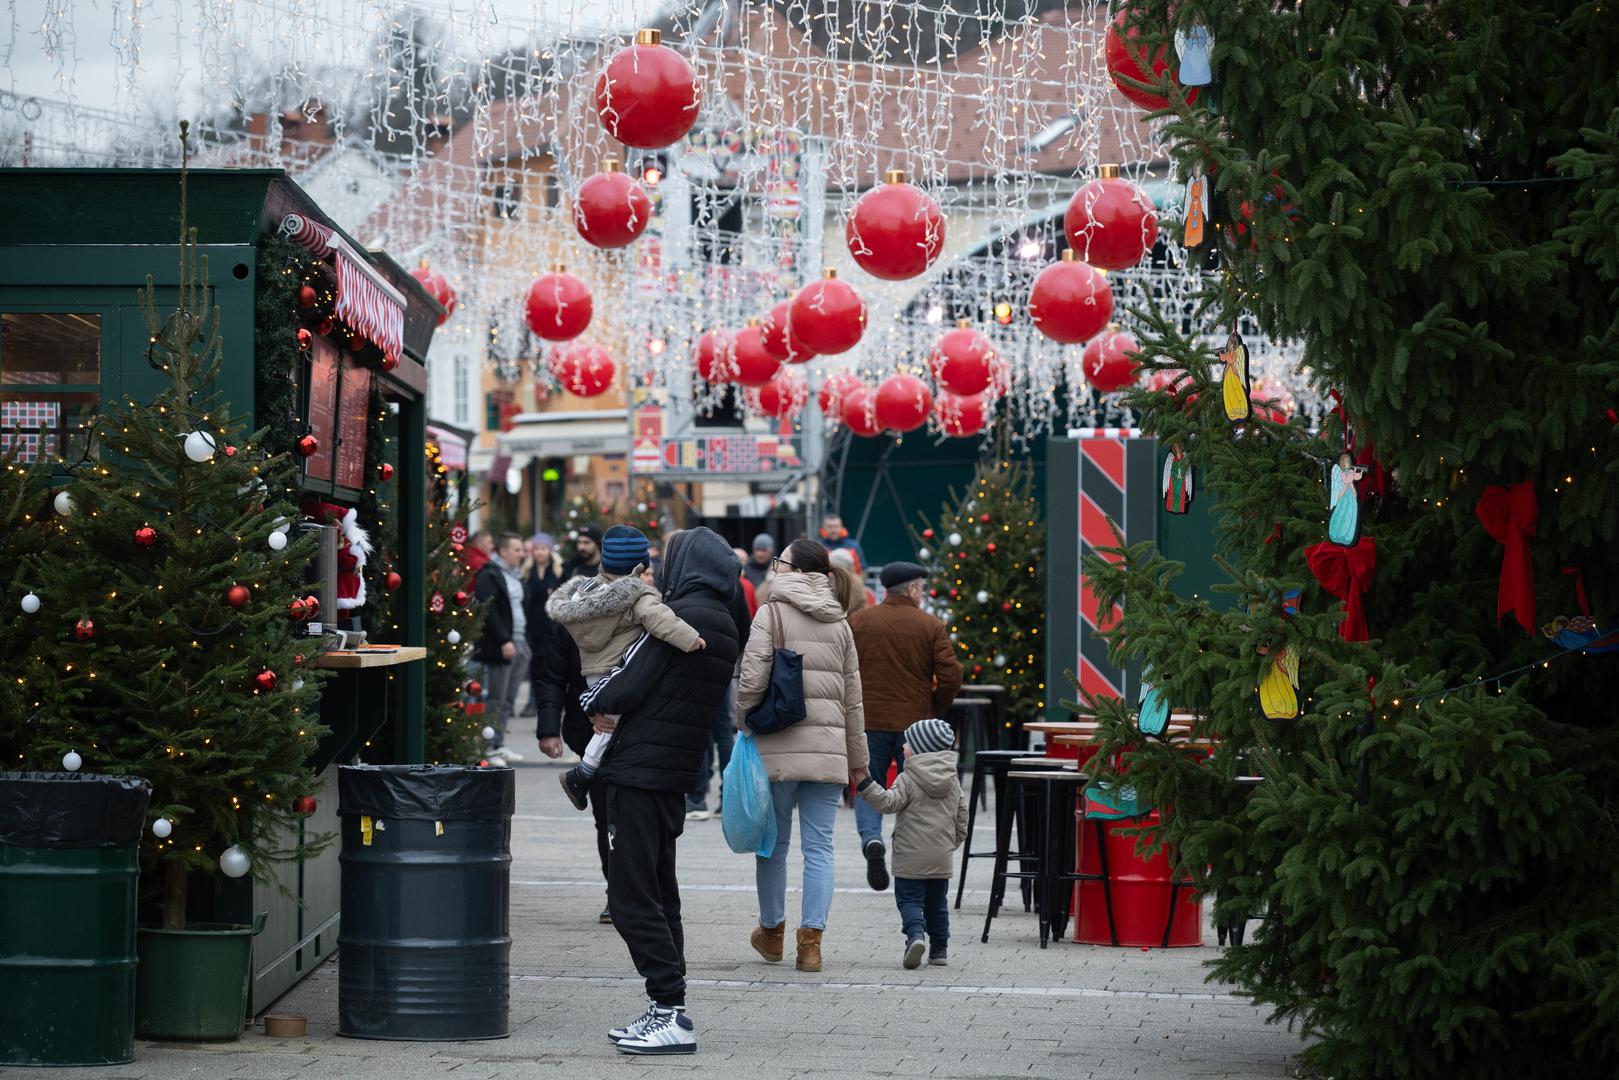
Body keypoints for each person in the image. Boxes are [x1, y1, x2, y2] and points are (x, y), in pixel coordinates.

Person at [578, 527, 740, 1056]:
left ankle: (669, 1010)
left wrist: (591, 702)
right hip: (672, 773)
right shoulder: (724, 616)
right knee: (660, 893)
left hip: (637, 771)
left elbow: (628, 684)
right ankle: (668, 1006)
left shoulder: (682, 615)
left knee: (629, 897)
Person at [736, 538, 868, 974]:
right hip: (828, 753)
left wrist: (743, 720)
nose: (775, 567)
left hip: (776, 745)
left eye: (780, 561)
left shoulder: (770, 612)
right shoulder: (840, 622)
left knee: (773, 846)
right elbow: (853, 700)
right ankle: (811, 943)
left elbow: (752, 678)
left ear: (792, 569)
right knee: (821, 847)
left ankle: (772, 934)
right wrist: (858, 759)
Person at [549, 525, 707, 810]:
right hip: (619, 671)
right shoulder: (637, 595)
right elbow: (660, 620)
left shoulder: (587, 592)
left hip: (592, 672)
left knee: (605, 722)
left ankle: (586, 772)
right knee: (611, 726)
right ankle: (583, 773)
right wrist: (691, 639)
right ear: (640, 564)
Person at [847, 560, 962, 891]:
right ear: (911, 589)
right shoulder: (930, 626)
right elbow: (952, 674)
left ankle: (872, 839)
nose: (923, 595)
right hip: (917, 727)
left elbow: (846, 669)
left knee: (868, 784)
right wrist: (934, 706)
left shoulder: (859, 622)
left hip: (869, 720)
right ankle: (916, 860)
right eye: (922, 589)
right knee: (920, 789)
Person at [856, 717, 969, 968]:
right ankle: (939, 949)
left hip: (909, 856)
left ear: (920, 748)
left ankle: (915, 936)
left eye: (908, 742)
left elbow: (888, 803)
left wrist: (865, 784)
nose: (903, 746)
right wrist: (951, 845)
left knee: (909, 900)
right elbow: (962, 818)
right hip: (941, 855)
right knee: (938, 904)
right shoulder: (953, 780)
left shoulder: (908, 778)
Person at [535, 622, 615, 924]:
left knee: (628, 816)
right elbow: (553, 677)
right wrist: (548, 729)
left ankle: (632, 891)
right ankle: (617, 892)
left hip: (635, 728)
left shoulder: (648, 608)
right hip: (590, 730)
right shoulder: (573, 618)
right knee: (606, 816)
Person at [687, 550, 752, 821]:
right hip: (724, 665)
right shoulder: (734, 587)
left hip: (693, 666)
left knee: (699, 732)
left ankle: (697, 796)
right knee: (724, 731)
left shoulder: (692, 588)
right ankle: (728, 798)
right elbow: (745, 630)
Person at [473, 532, 531, 761]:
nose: (521, 554)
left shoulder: (516, 576)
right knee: (496, 698)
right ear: (504, 551)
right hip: (502, 644)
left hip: (520, 641)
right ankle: (488, 746)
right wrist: (503, 640)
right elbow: (489, 610)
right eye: (516, 550)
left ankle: (499, 742)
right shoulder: (489, 574)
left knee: (508, 699)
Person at [521, 532, 563, 717]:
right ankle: (533, 702)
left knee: (550, 666)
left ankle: (551, 703)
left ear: (550, 550)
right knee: (534, 666)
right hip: (533, 625)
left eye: (543, 548)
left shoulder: (558, 571)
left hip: (552, 626)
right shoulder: (527, 572)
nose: (540, 552)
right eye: (537, 548)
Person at [828, 548, 871, 614]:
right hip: (856, 617)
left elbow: (846, 607)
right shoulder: (856, 579)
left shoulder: (840, 578)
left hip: (847, 619)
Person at [732, 547, 759, 617]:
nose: (745, 564)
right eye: (743, 560)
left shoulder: (748, 584)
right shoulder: (748, 585)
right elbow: (754, 611)